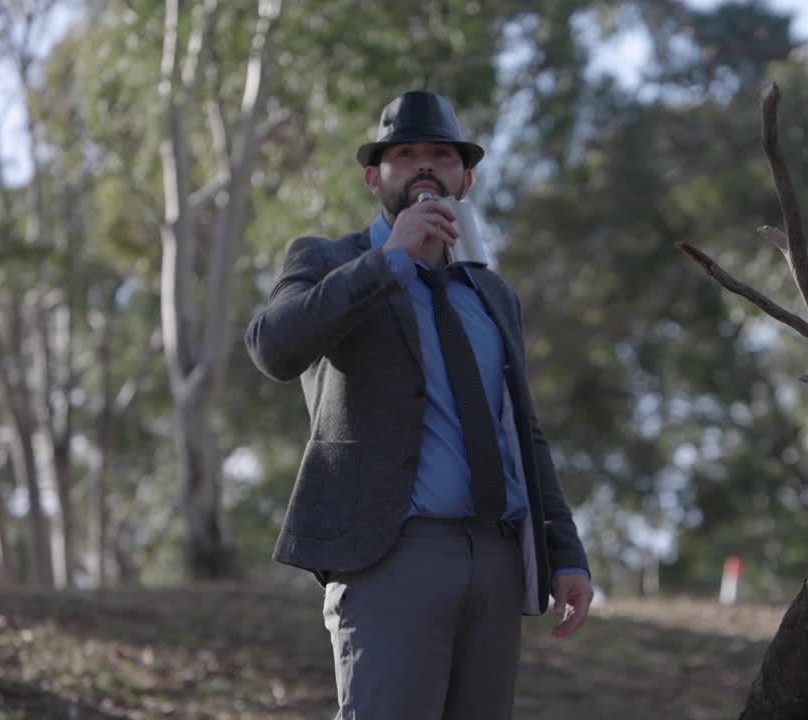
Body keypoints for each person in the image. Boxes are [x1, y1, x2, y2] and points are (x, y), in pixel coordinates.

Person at [245, 89, 594, 719]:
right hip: (390, 557)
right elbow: (273, 348)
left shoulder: (492, 294)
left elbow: (524, 431)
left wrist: (564, 550)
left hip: (496, 560)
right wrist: (389, 261)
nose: (424, 164)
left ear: (466, 179)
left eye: (442, 155)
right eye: (405, 154)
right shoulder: (328, 260)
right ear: (374, 177)